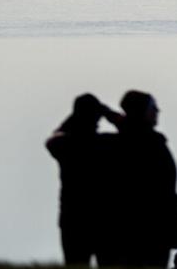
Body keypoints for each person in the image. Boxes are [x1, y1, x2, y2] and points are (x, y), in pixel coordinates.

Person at [97, 90, 177, 269]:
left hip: (133, 234)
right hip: (149, 235)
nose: (158, 111)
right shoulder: (149, 144)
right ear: (142, 112)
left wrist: (110, 115)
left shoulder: (113, 143)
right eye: (153, 107)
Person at [46, 92, 121, 266]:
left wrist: (74, 119)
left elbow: (52, 138)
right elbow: (134, 134)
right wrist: (108, 113)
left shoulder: (65, 145)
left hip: (73, 219)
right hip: (106, 219)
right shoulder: (108, 144)